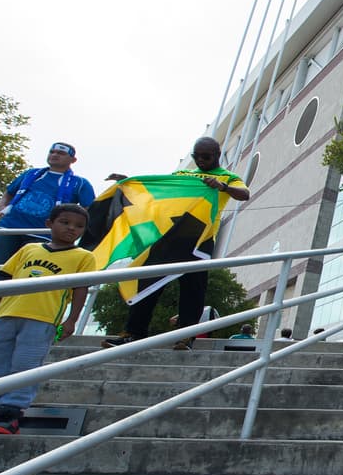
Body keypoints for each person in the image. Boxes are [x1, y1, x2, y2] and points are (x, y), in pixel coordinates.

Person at [102, 137, 249, 352]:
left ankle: (186, 337)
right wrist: (129, 183)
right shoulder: (182, 176)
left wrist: (222, 186)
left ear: (218, 155)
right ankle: (133, 333)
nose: (200, 161)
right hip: (169, 236)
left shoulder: (228, 177)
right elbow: (161, 191)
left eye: (205, 157)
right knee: (148, 282)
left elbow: (244, 194)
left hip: (200, 239)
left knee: (193, 290)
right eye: (196, 157)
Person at [0, 204, 95, 435]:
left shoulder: (83, 257)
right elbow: (7, 281)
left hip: (43, 318)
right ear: (49, 224)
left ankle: (10, 411)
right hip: (7, 314)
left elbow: (81, 288)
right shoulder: (29, 249)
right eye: (65, 222)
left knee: (26, 365)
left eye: (79, 226)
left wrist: (71, 320)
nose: (71, 229)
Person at [0, 143, 95, 281]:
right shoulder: (31, 173)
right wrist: (2, 208)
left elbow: (90, 209)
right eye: (52, 151)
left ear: (73, 160)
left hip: (42, 233)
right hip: (10, 227)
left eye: (61, 153)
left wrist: (71, 227)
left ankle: (22, 301)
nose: (55, 155)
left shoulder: (80, 183)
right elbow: (9, 193)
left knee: (29, 272)